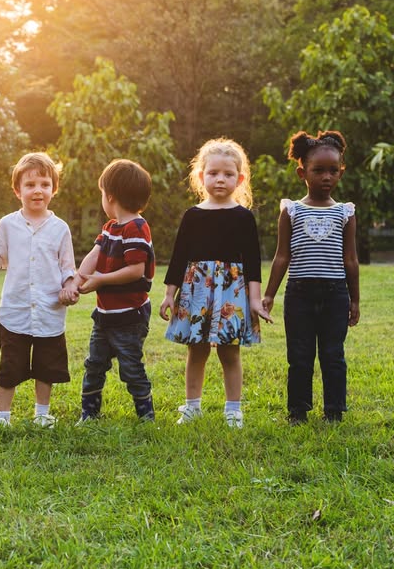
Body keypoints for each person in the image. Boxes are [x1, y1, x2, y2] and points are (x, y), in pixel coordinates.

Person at [160, 138, 271, 428]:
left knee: (229, 351)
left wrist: (255, 300)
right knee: (196, 350)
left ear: (240, 178)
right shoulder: (192, 216)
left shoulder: (244, 217)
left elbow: (252, 262)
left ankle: (233, 410)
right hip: (196, 289)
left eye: (228, 174)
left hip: (232, 292)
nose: (220, 179)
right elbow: (178, 257)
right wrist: (169, 294)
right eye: (213, 173)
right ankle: (192, 407)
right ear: (201, 177)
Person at [0, 153, 79, 429]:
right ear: (18, 191)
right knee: (10, 366)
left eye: (44, 184)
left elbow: (68, 268)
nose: (38, 190)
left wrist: (70, 288)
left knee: (46, 366)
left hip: (49, 311)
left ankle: (42, 414)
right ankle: (2, 417)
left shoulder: (60, 228)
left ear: (54, 189)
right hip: (15, 311)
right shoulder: (8, 223)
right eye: (30, 185)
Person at [262, 131, 359, 424]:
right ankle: (298, 411)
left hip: (335, 295)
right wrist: (269, 295)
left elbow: (350, 260)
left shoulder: (345, 212)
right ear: (302, 172)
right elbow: (282, 256)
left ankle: (334, 411)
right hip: (299, 294)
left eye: (333, 171)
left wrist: (355, 299)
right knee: (300, 355)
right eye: (319, 171)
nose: (326, 177)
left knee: (333, 355)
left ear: (341, 172)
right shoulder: (291, 211)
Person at [73, 159, 156, 423]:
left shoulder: (137, 228)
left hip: (130, 317)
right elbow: (94, 255)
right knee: (94, 364)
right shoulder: (111, 228)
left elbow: (136, 271)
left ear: (109, 196)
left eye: (101, 194)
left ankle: (146, 415)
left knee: (131, 368)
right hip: (105, 316)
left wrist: (101, 280)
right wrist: (78, 279)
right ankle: (90, 412)